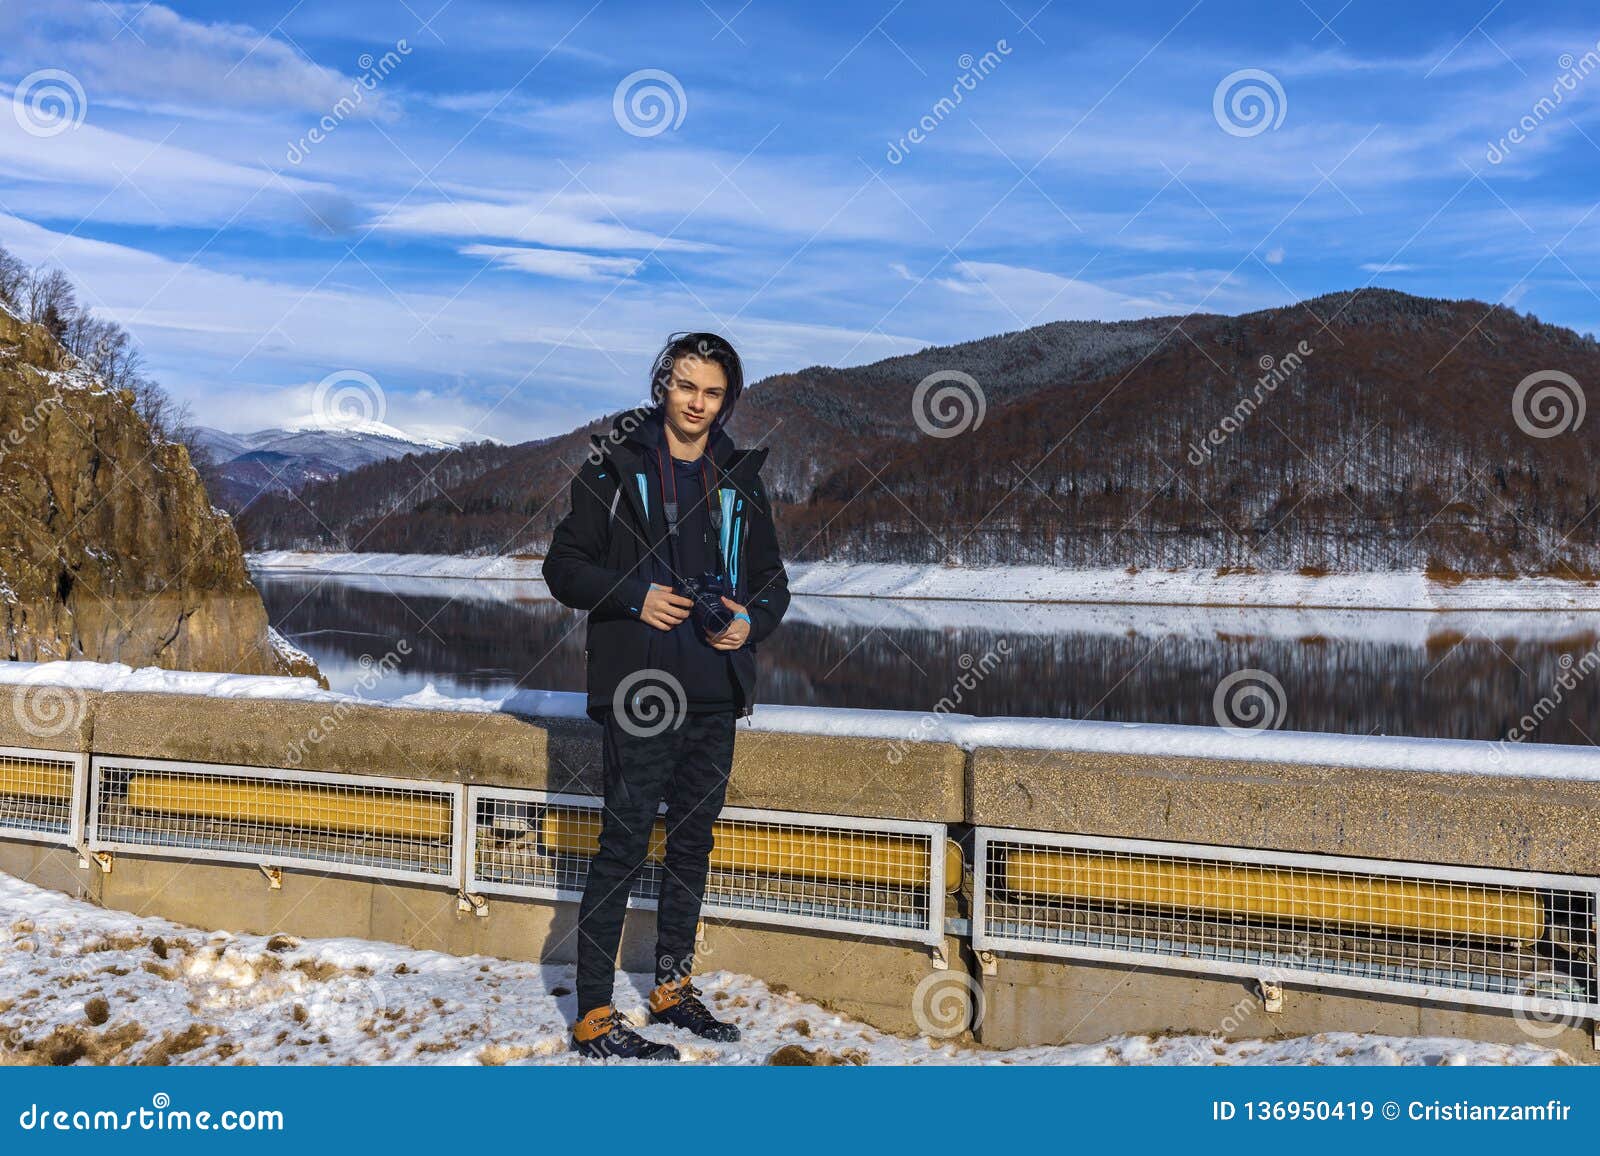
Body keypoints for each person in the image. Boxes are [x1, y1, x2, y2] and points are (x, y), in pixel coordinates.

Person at [541, 331, 791, 1060]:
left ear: (727, 399)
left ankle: (671, 988)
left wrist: (750, 622)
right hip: (641, 688)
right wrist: (635, 597)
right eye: (686, 386)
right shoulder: (613, 468)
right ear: (663, 385)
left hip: (716, 689)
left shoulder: (739, 476)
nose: (697, 403)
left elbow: (773, 581)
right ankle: (594, 1015)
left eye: (712, 392)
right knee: (622, 842)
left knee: (692, 843)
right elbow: (562, 568)